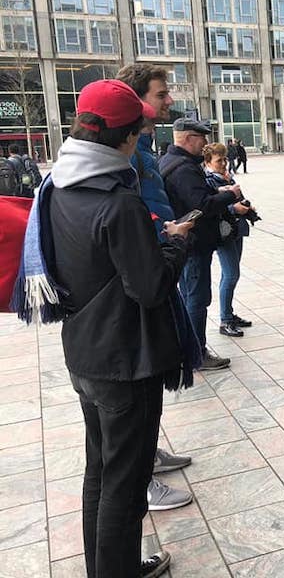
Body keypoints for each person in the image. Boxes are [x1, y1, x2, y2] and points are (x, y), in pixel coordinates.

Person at [35, 79, 186, 578]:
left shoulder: (56, 186)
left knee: (99, 473)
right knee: (125, 482)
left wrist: (148, 239)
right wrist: (173, 243)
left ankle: (105, 569)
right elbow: (150, 287)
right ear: (127, 138)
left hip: (84, 353)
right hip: (125, 360)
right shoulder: (118, 202)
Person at [116, 63, 196, 513]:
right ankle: (142, 478)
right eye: (161, 94)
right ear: (136, 99)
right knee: (143, 378)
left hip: (162, 254)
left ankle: (149, 457)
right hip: (144, 268)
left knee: (156, 374)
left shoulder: (144, 144)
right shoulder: (126, 150)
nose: (169, 102)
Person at [161, 118, 241, 366]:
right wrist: (229, 195)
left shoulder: (169, 161)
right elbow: (201, 205)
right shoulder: (183, 167)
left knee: (188, 296)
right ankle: (196, 353)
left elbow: (193, 197)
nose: (205, 142)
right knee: (196, 298)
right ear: (188, 139)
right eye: (201, 138)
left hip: (186, 242)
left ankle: (188, 349)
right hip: (194, 244)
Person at [202, 142, 255, 337]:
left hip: (236, 229)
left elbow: (238, 198)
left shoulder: (227, 177)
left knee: (231, 275)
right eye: (219, 160)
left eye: (225, 159)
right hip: (223, 232)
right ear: (208, 162)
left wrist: (246, 207)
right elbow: (210, 207)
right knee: (231, 274)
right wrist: (234, 209)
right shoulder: (208, 181)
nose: (224, 163)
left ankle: (229, 313)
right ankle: (225, 319)